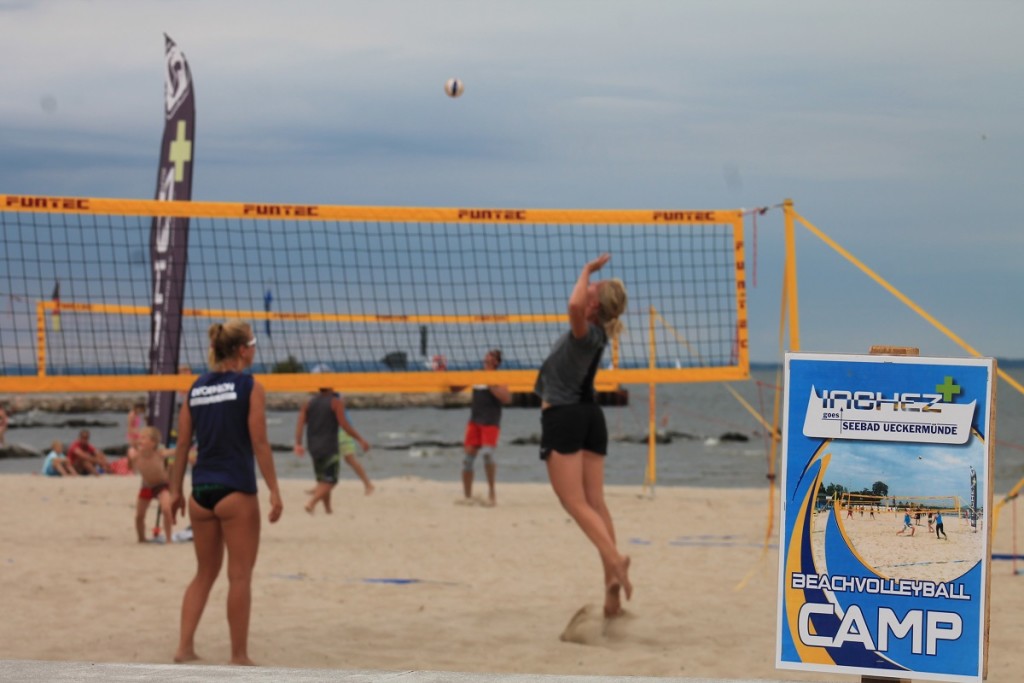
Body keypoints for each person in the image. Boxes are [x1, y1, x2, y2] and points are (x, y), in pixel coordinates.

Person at [169, 320, 283, 666]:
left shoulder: (196, 388)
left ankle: (184, 648)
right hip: (235, 491)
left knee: (204, 573)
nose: (255, 349)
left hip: (200, 492)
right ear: (241, 350)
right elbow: (260, 443)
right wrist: (275, 491)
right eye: (252, 344)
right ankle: (239, 656)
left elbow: (183, 443)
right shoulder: (250, 386)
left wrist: (174, 491)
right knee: (239, 575)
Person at [534, 253, 631, 617]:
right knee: (596, 503)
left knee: (574, 503)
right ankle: (612, 594)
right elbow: (579, 301)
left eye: (592, 288)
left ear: (593, 305)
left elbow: (573, 303)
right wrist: (590, 280)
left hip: (565, 417)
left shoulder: (584, 331)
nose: (588, 286)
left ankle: (615, 560)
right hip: (591, 416)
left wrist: (587, 270)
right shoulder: (598, 334)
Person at [294, 388, 370, 513]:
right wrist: (360, 439)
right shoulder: (335, 402)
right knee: (331, 481)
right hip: (329, 446)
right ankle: (311, 503)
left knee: (322, 479)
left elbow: (300, 423)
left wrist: (298, 443)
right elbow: (345, 425)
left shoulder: (308, 403)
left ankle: (328, 509)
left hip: (313, 446)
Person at [451, 348, 511, 505]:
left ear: (496, 362)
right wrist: (445, 376)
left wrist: (491, 385)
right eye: (487, 356)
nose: (487, 358)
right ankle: (467, 497)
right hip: (474, 422)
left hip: (491, 423)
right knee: (467, 459)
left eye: (491, 357)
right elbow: (454, 389)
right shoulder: (477, 374)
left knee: (487, 455)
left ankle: (492, 493)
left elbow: (506, 399)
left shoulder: (499, 378)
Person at [132, 426, 173, 543]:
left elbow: (177, 451)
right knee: (139, 516)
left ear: (153, 442)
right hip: (146, 486)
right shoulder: (136, 455)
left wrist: (187, 453)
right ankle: (141, 538)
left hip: (162, 485)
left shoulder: (159, 453)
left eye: (144, 438)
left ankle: (169, 539)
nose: (140, 440)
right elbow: (130, 467)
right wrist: (130, 459)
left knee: (166, 509)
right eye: (140, 438)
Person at [338, 421, 375, 495]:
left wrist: (360, 440)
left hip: (342, 432)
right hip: (336, 431)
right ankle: (368, 484)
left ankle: (368, 484)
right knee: (348, 459)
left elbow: (344, 422)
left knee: (350, 459)